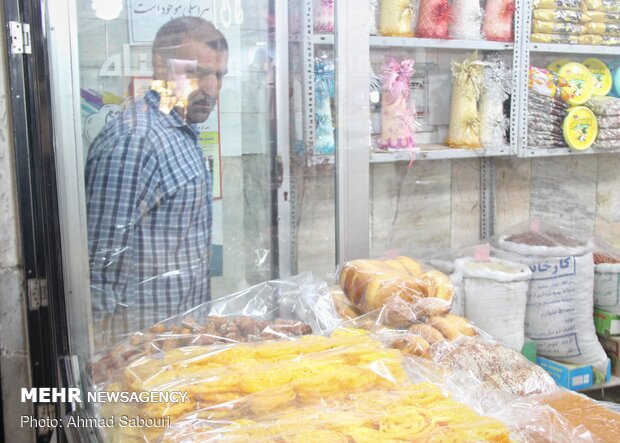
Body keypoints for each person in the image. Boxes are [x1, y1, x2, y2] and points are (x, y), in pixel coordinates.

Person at [85, 17, 228, 343]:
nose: (211, 88)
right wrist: (112, 358)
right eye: (196, 72)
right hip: (141, 350)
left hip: (179, 341)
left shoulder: (180, 132)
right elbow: (99, 267)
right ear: (160, 67)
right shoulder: (135, 140)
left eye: (219, 75)